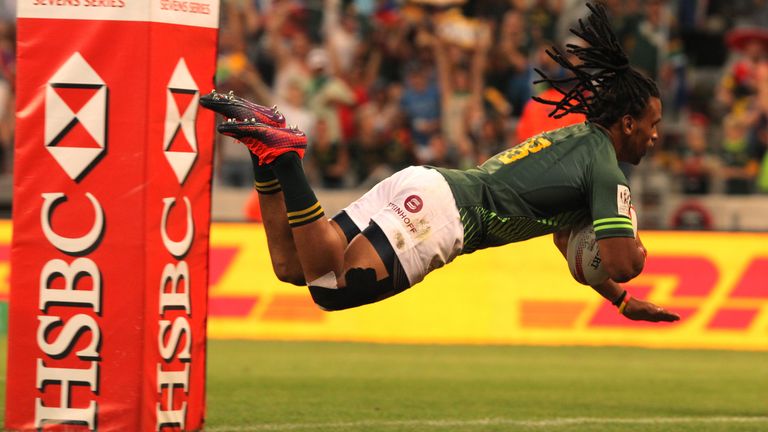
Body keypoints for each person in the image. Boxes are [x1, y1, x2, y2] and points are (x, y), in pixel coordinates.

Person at [201, 3, 679, 323]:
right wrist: (632, 236)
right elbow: (620, 259)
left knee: (291, 265)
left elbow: (561, 236)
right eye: (653, 123)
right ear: (629, 122)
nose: (656, 136)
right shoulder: (607, 172)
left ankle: (267, 156)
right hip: (445, 216)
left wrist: (620, 300)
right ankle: (285, 157)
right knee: (331, 288)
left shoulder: (578, 140)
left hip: (425, 187)